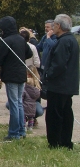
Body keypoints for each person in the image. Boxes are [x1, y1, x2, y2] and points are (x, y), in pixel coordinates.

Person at [43, 14, 79, 149]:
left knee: (55, 114)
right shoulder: (71, 40)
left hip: (59, 85)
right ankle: (65, 141)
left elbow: (59, 64)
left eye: (54, 25)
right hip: (67, 84)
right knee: (66, 113)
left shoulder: (64, 41)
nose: (53, 27)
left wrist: (48, 75)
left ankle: (55, 142)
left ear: (58, 26)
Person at [0, 16, 32, 140]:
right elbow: (29, 53)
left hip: (11, 75)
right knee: (18, 103)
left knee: (14, 104)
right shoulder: (21, 39)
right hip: (21, 74)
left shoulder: (7, 41)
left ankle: (14, 132)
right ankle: (21, 130)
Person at [23, 66, 41, 132]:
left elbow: (22, 96)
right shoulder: (37, 88)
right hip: (33, 105)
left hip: (25, 104)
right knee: (31, 117)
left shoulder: (25, 88)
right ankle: (30, 126)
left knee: (24, 116)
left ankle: (23, 126)